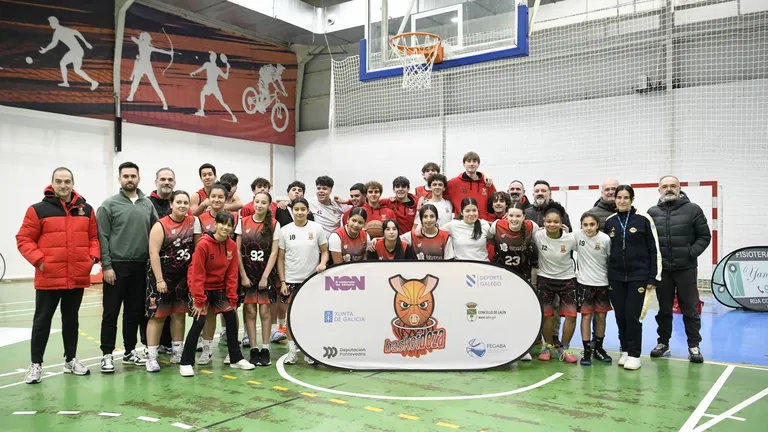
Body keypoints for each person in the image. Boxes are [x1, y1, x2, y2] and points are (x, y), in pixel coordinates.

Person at [16, 167, 100, 384]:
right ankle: (36, 365)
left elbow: (94, 238)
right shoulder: (37, 210)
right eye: (59, 181)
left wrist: (91, 259)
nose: (63, 185)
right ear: (52, 184)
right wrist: (41, 262)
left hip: (76, 277)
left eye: (67, 181)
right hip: (49, 277)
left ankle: (71, 360)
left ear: (73, 183)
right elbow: (24, 239)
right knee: (42, 321)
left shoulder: (87, 210)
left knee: (71, 321)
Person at [97, 162, 158, 373]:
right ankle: (106, 354)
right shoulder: (109, 205)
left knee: (134, 312)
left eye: (133, 176)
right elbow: (102, 237)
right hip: (116, 267)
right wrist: (106, 266)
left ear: (139, 178)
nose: (129, 179)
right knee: (111, 313)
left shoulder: (147, 204)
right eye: (125, 176)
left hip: (141, 267)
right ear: (120, 179)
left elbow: (156, 233)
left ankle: (130, 351)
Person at [180, 212, 255, 376]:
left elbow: (231, 274)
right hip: (202, 290)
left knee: (231, 318)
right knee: (199, 322)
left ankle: (236, 358)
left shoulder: (232, 246)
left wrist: (232, 298)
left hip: (220, 289)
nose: (225, 228)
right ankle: (186, 362)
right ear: (215, 224)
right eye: (222, 224)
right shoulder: (203, 244)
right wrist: (199, 300)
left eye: (229, 225)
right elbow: (197, 274)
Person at [647, 176, 711, 363]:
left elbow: (704, 237)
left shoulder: (693, 210)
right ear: (659, 190)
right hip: (663, 271)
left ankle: (694, 345)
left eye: (672, 186)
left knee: (690, 309)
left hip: (686, 269)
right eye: (664, 186)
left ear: (679, 188)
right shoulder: (652, 212)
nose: (669, 189)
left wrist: (690, 253)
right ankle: (663, 343)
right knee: (664, 310)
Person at [604, 185, 662, 371]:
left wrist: (654, 276)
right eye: (618, 197)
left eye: (625, 197)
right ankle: (625, 350)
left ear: (632, 199)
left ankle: (635, 354)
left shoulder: (644, 219)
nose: (622, 201)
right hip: (615, 277)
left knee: (632, 315)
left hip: (639, 275)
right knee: (620, 315)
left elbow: (654, 249)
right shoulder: (610, 221)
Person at [145, 190, 194, 372]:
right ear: (171, 204)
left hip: (182, 277)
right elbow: (153, 253)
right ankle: (151, 357)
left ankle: (177, 353)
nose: (182, 205)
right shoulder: (160, 225)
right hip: (162, 276)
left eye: (185, 202)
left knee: (179, 314)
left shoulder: (192, 222)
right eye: (178, 202)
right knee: (157, 316)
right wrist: (159, 280)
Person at [278, 198, 329, 364]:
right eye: (296, 209)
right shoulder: (285, 230)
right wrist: (283, 281)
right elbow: (280, 258)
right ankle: (292, 351)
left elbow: (325, 251)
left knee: (309, 316)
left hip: (311, 281)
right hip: (291, 280)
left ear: (308, 211)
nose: (299, 212)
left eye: (303, 209)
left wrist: (322, 263)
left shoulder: (317, 228)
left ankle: (308, 351)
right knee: (290, 318)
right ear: (292, 211)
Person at [193, 182, 240, 362]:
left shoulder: (235, 217)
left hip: (227, 274)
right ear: (208, 198)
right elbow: (198, 249)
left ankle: (232, 349)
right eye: (213, 196)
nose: (217, 200)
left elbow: (236, 248)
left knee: (231, 312)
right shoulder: (200, 219)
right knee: (209, 314)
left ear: (226, 198)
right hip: (206, 277)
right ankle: (207, 349)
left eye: (221, 197)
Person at [236, 191, 280, 366]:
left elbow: (275, 252)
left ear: (269, 205)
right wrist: (243, 275)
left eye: (263, 202)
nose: (259, 205)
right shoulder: (242, 222)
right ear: (253, 202)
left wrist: (265, 276)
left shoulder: (275, 224)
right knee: (251, 311)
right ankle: (254, 349)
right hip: (247, 273)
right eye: (257, 201)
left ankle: (266, 348)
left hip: (265, 273)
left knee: (265, 312)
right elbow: (237, 250)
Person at [532, 202, 579, 364]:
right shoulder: (537, 235)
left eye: (556, 221)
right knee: (546, 315)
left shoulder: (571, 238)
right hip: (545, 279)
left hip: (567, 279)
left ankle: (565, 348)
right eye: (549, 221)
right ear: (544, 221)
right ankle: (549, 346)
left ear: (562, 223)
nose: (552, 224)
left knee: (572, 315)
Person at [573, 212, 613, 365]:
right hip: (584, 284)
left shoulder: (605, 239)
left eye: (592, 224)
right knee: (586, 317)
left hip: (602, 283)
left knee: (601, 317)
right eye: (585, 225)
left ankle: (598, 348)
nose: (588, 228)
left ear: (597, 225)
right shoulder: (576, 235)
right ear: (581, 225)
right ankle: (587, 350)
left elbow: (610, 260)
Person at [148, 167, 177, 353]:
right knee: (153, 310)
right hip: (153, 266)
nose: (166, 182)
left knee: (173, 310)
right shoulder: (146, 203)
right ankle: (150, 345)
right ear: (156, 181)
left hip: (175, 267)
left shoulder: (177, 203)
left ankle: (167, 344)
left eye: (170, 179)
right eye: (163, 179)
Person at [38, 16, 99, 90]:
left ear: (55, 23)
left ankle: (93, 82)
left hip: (77, 51)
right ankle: (66, 83)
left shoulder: (60, 30)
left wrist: (86, 43)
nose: (50, 25)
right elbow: (53, 43)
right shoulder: (58, 31)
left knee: (76, 69)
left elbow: (76, 32)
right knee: (64, 64)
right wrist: (45, 49)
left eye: (51, 23)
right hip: (75, 51)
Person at [490, 203, 537, 281]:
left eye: (518, 216)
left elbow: (541, 239)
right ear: (507, 216)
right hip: (501, 270)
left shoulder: (532, 226)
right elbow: (490, 239)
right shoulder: (497, 225)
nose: (514, 219)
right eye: (511, 215)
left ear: (524, 217)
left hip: (523, 272)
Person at [445, 152, 496, 221]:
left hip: (482, 225)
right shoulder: (453, 183)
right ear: (464, 164)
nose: (471, 164)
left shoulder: (487, 183)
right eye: (469, 161)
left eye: (474, 161)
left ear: (478, 164)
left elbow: (495, 202)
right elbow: (437, 193)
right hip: (461, 225)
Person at [189, 51, 237, 122]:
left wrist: (194, 72)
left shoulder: (208, 65)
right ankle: (233, 117)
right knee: (204, 94)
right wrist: (228, 68)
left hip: (212, 86)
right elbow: (226, 76)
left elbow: (201, 69)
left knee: (220, 101)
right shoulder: (217, 68)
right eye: (210, 56)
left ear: (213, 58)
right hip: (213, 86)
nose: (210, 57)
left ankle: (202, 111)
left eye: (211, 56)